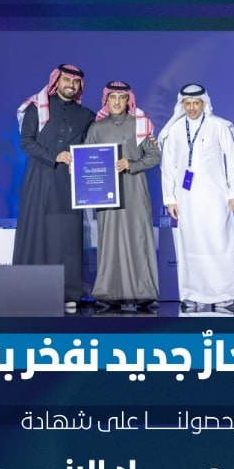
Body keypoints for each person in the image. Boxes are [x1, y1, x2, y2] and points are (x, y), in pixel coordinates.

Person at [13, 64, 95, 308]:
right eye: (66, 80)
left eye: (76, 82)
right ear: (56, 81)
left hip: (68, 183)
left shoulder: (86, 116)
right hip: (39, 179)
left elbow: (95, 145)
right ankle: (30, 291)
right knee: (36, 233)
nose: (71, 85)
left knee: (67, 235)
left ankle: (68, 294)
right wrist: (55, 156)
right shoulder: (37, 108)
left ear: (80, 86)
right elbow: (26, 142)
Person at [159, 83, 234, 312]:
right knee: (189, 245)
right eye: (188, 103)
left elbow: (231, 161)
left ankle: (224, 297)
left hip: (217, 197)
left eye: (196, 103)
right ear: (182, 104)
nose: (192, 108)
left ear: (204, 104)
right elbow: (168, 166)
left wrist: (233, 193)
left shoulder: (218, 126)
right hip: (187, 199)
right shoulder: (175, 130)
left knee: (219, 243)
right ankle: (192, 296)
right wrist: (170, 199)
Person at [85, 80, 160, 312]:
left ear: (128, 100)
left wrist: (132, 164)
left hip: (135, 189)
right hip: (106, 195)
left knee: (139, 239)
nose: (117, 102)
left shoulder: (140, 124)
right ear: (106, 100)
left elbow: (155, 156)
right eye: (113, 98)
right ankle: (107, 294)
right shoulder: (96, 128)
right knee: (109, 241)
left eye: (121, 98)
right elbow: (87, 159)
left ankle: (144, 294)